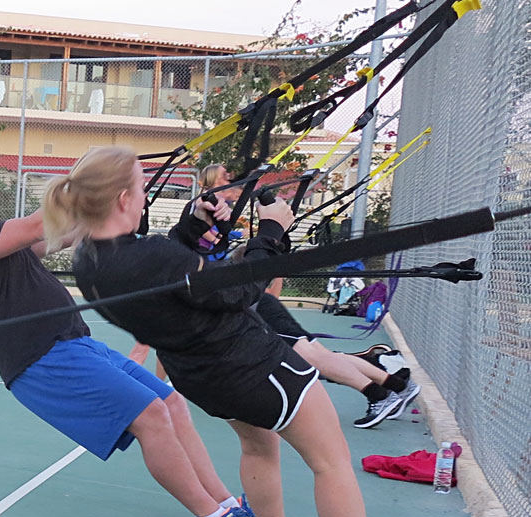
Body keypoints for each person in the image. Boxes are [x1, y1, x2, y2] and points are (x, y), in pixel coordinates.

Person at [57, 145, 417, 517]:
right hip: (254, 366)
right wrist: (272, 232)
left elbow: (169, 278)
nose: (145, 198)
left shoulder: (90, 260)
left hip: (204, 378)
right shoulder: (152, 257)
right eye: (142, 189)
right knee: (331, 463)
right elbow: (237, 290)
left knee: (258, 446)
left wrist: (192, 227)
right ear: (124, 199)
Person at [0, 158, 266, 517]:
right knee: (153, 415)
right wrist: (94, 177)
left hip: (72, 344)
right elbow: (40, 223)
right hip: (41, 358)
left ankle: (225, 504)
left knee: (172, 404)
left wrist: (189, 216)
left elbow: (61, 234)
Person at [171, 166, 421, 428]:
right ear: (211, 182)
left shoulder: (222, 216)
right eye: (225, 177)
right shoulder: (201, 212)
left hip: (251, 303)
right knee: (321, 355)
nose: (232, 181)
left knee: (315, 358)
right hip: (240, 300)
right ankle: (398, 385)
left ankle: (380, 394)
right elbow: (205, 240)